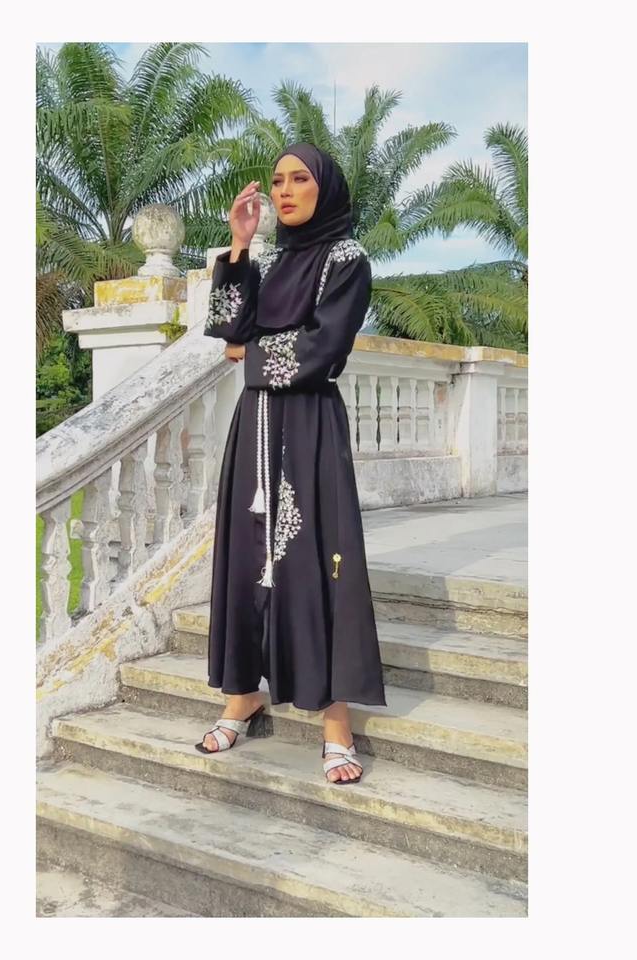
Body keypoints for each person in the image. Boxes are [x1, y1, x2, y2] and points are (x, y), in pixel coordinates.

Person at [195, 142, 387, 785]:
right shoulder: (270, 260)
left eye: (299, 179)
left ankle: (336, 722)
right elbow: (228, 327)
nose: (284, 191)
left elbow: (323, 347)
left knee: (317, 561)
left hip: (309, 429)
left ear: (323, 188)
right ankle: (242, 696)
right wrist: (240, 243)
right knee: (247, 557)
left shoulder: (347, 260)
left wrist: (250, 356)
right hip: (255, 425)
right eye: (277, 181)